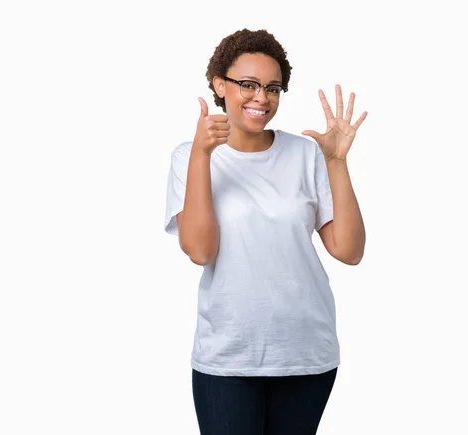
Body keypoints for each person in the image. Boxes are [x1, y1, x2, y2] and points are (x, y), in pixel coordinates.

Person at [164, 28, 367, 435]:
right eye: (248, 85)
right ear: (220, 85)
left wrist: (337, 164)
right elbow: (200, 250)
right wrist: (204, 154)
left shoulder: (306, 153)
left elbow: (348, 250)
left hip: (306, 352)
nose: (262, 98)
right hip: (228, 356)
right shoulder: (190, 156)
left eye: (273, 88)